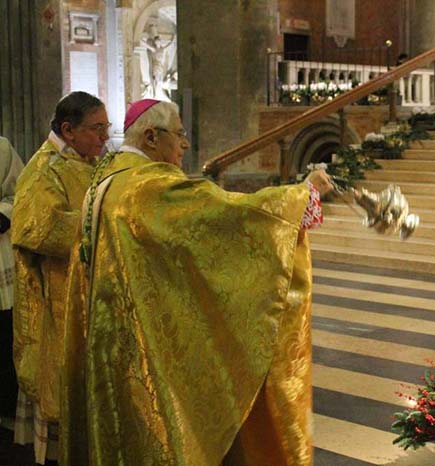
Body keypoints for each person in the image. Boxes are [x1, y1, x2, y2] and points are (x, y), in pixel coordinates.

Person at [60, 99, 332, 466]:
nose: (185, 145)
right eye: (181, 135)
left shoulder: (106, 180)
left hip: (110, 344)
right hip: (141, 355)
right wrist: (303, 194)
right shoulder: (147, 187)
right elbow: (225, 216)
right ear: (152, 137)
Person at [12, 91, 109, 465]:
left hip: (85, 294)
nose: (103, 137)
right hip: (57, 301)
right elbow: (39, 228)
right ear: (68, 130)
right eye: (96, 129)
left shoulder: (86, 161)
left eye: (107, 128)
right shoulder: (44, 170)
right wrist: (102, 221)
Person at [0, 137, 24, 425]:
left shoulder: (3, 148)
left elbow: (19, 194)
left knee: (5, 335)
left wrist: (3, 214)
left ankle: (6, 408)